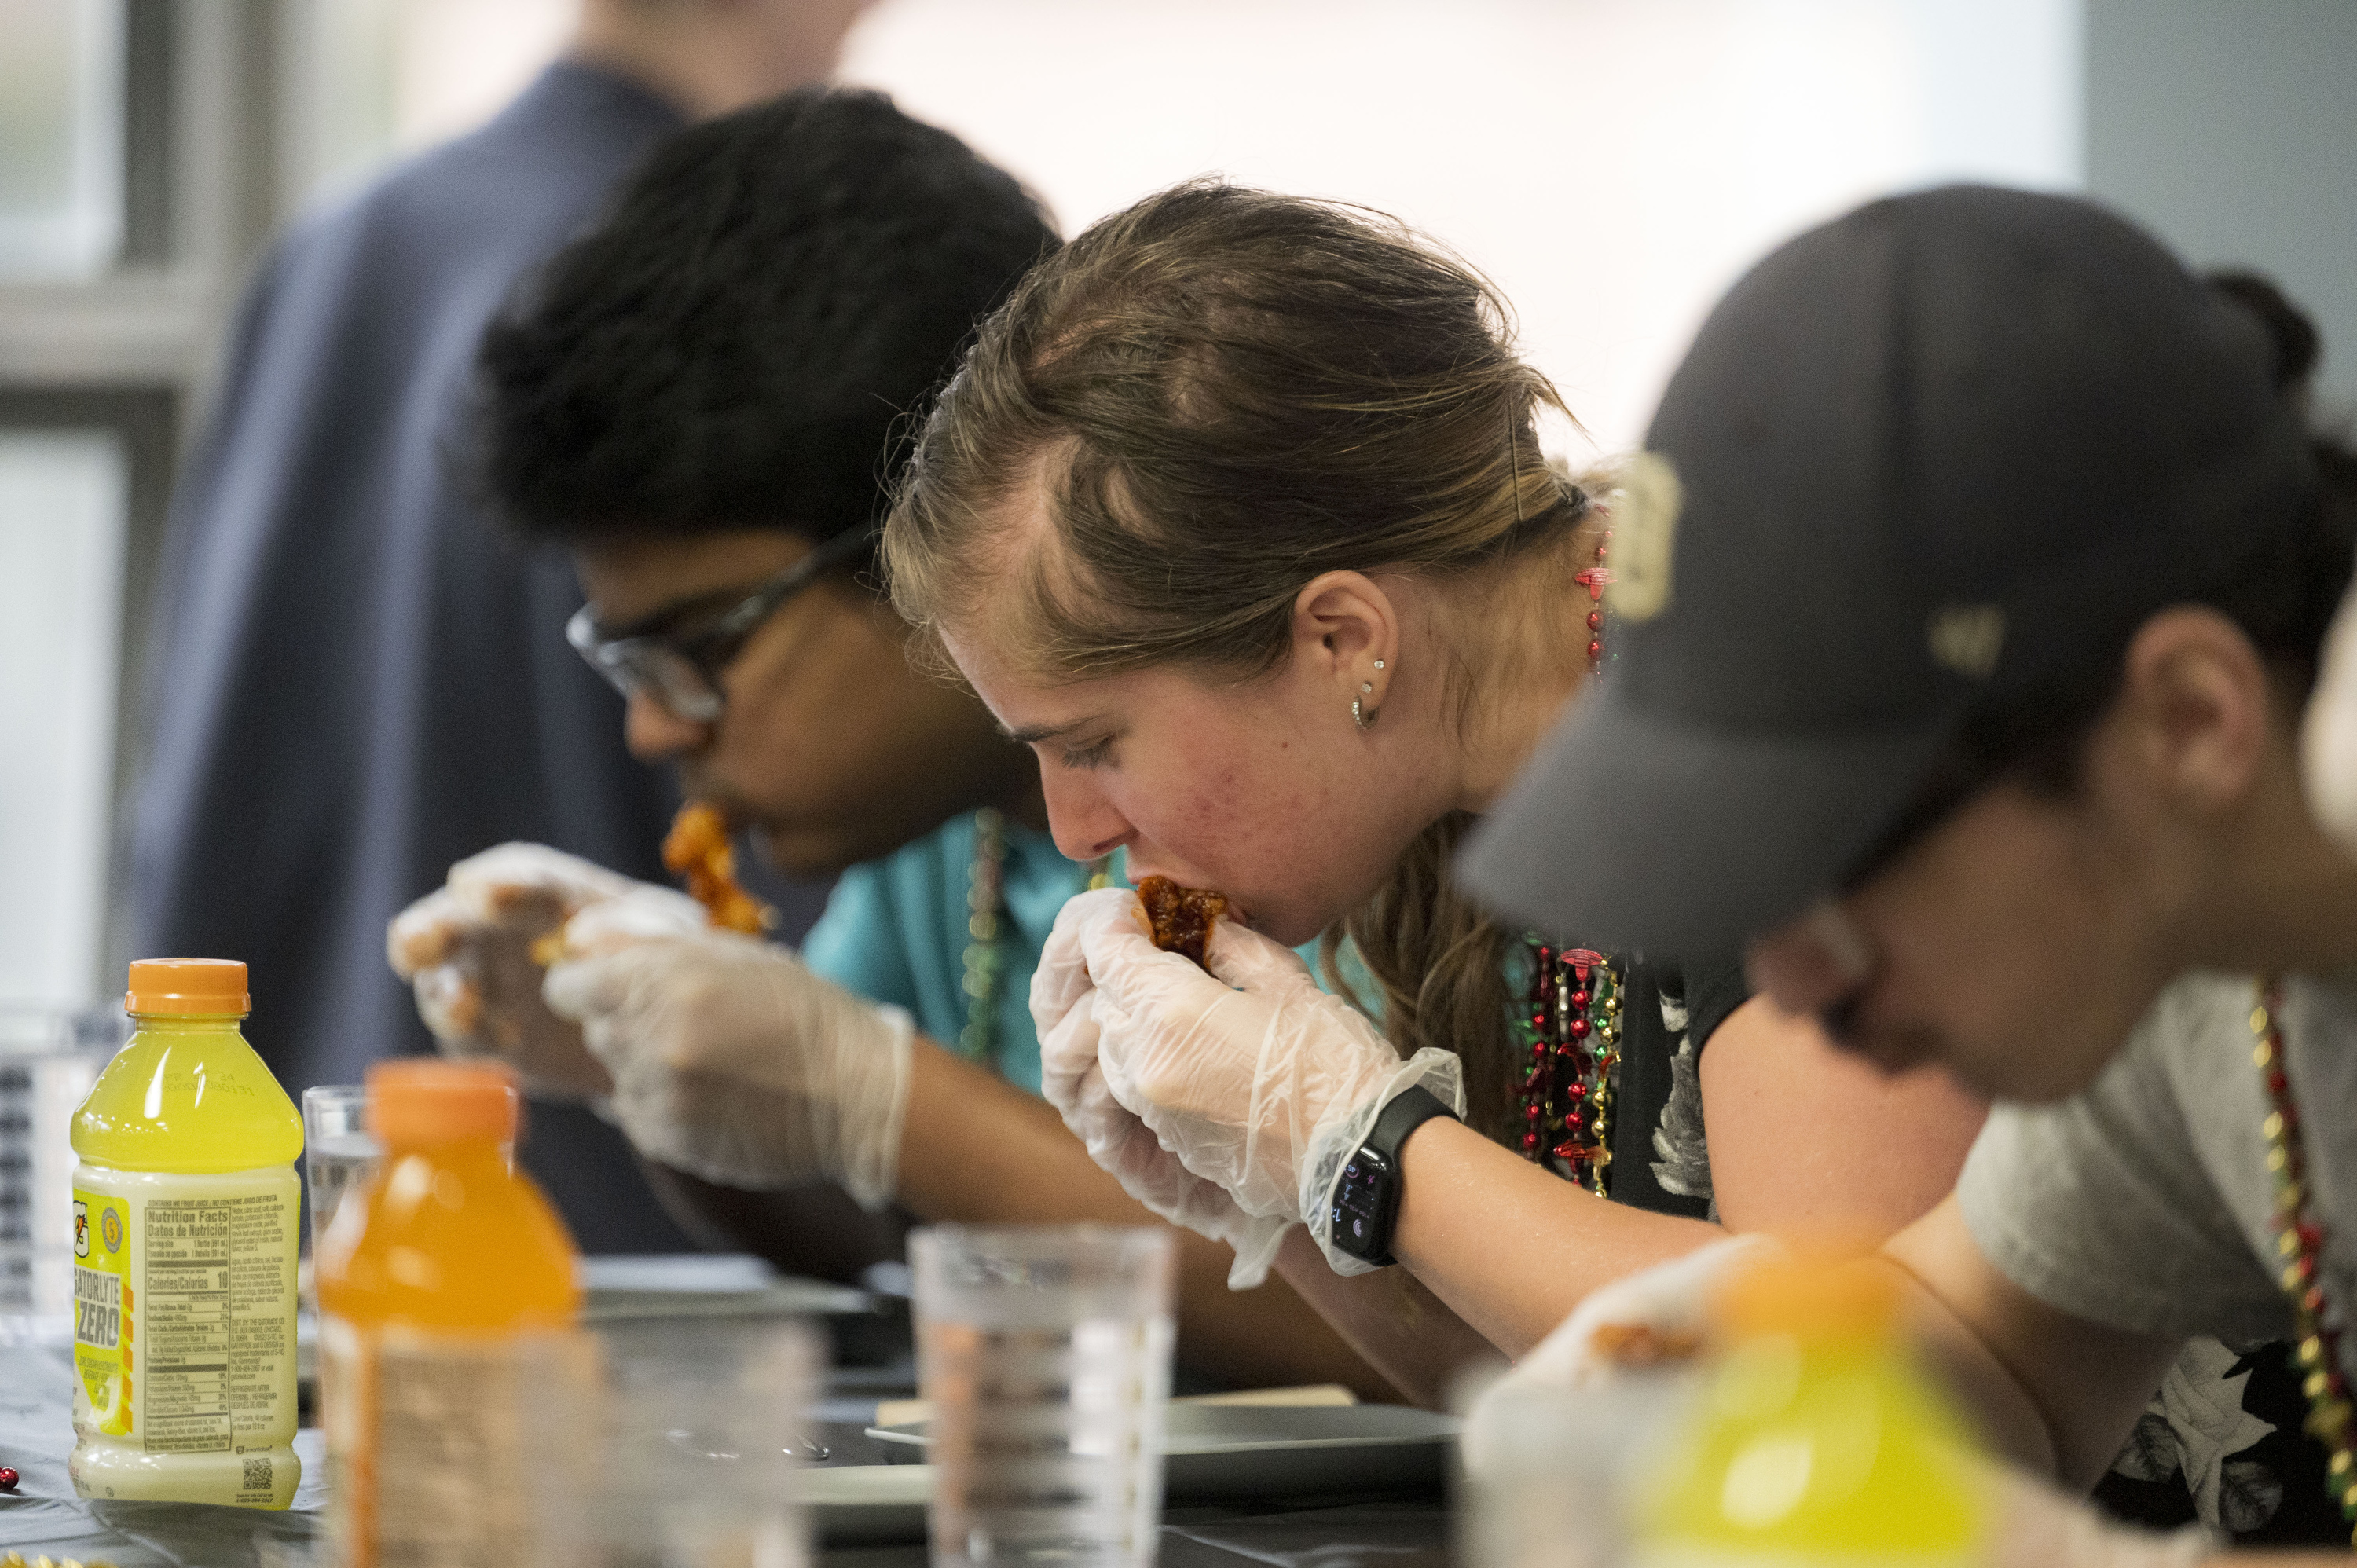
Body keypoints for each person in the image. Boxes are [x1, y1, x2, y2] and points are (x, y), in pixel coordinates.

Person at [873, 181, 1989, 1405]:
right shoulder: (1451, 801)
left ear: (1347, 643)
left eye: (1093, 743)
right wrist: (1284, 1193)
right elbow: (1550, 1398)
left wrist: (1358, 1143)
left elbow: (1854, 1392)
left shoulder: (1770, 694)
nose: (1073, 829)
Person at [387, 91, 1392, 1397]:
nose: (649, 726)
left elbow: (1392, 1330)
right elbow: (890, 1235)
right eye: (628, 664)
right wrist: (659, 1069)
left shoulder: (1286, 802)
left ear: (922, 540)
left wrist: (882, 1098)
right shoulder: (943, 845)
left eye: (699, 647)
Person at [1444, 185, 2356, 1557]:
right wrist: (1727, 1404)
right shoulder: (2191, 951)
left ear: (2188, 721)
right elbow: (1997, 1358)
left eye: (1842, 855)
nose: (1796, 986)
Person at [129, 0, 867, 1251]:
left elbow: (187, 822)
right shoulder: (742, 298)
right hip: (640, 1296)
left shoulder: (331, 253)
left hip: (301, 1266)